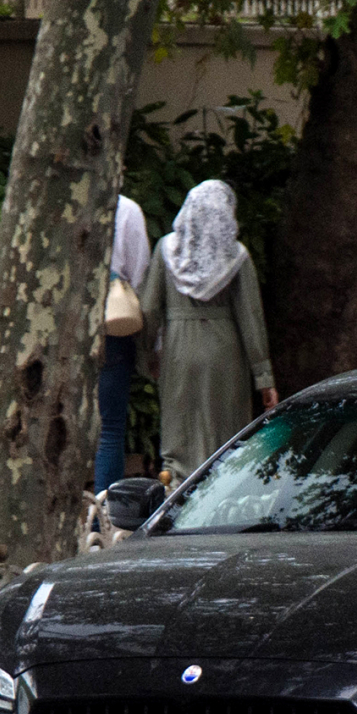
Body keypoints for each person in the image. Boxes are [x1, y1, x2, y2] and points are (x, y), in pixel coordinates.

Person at [140, 178, 276, 481]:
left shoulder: (166, 249)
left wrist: (148, 354)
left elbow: (149, 309)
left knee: (180, 431)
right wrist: (264, 379)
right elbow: (251, 320)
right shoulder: (236, 257)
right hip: (226, 354)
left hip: (178, 352)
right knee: (225, 434)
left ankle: (175, 489)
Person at [94, 192, 149, 492]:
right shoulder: (127, 209)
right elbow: (140, 273)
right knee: (110, 429)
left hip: (63, 324)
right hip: (113, 325)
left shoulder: (57, 197)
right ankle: (103, 519)